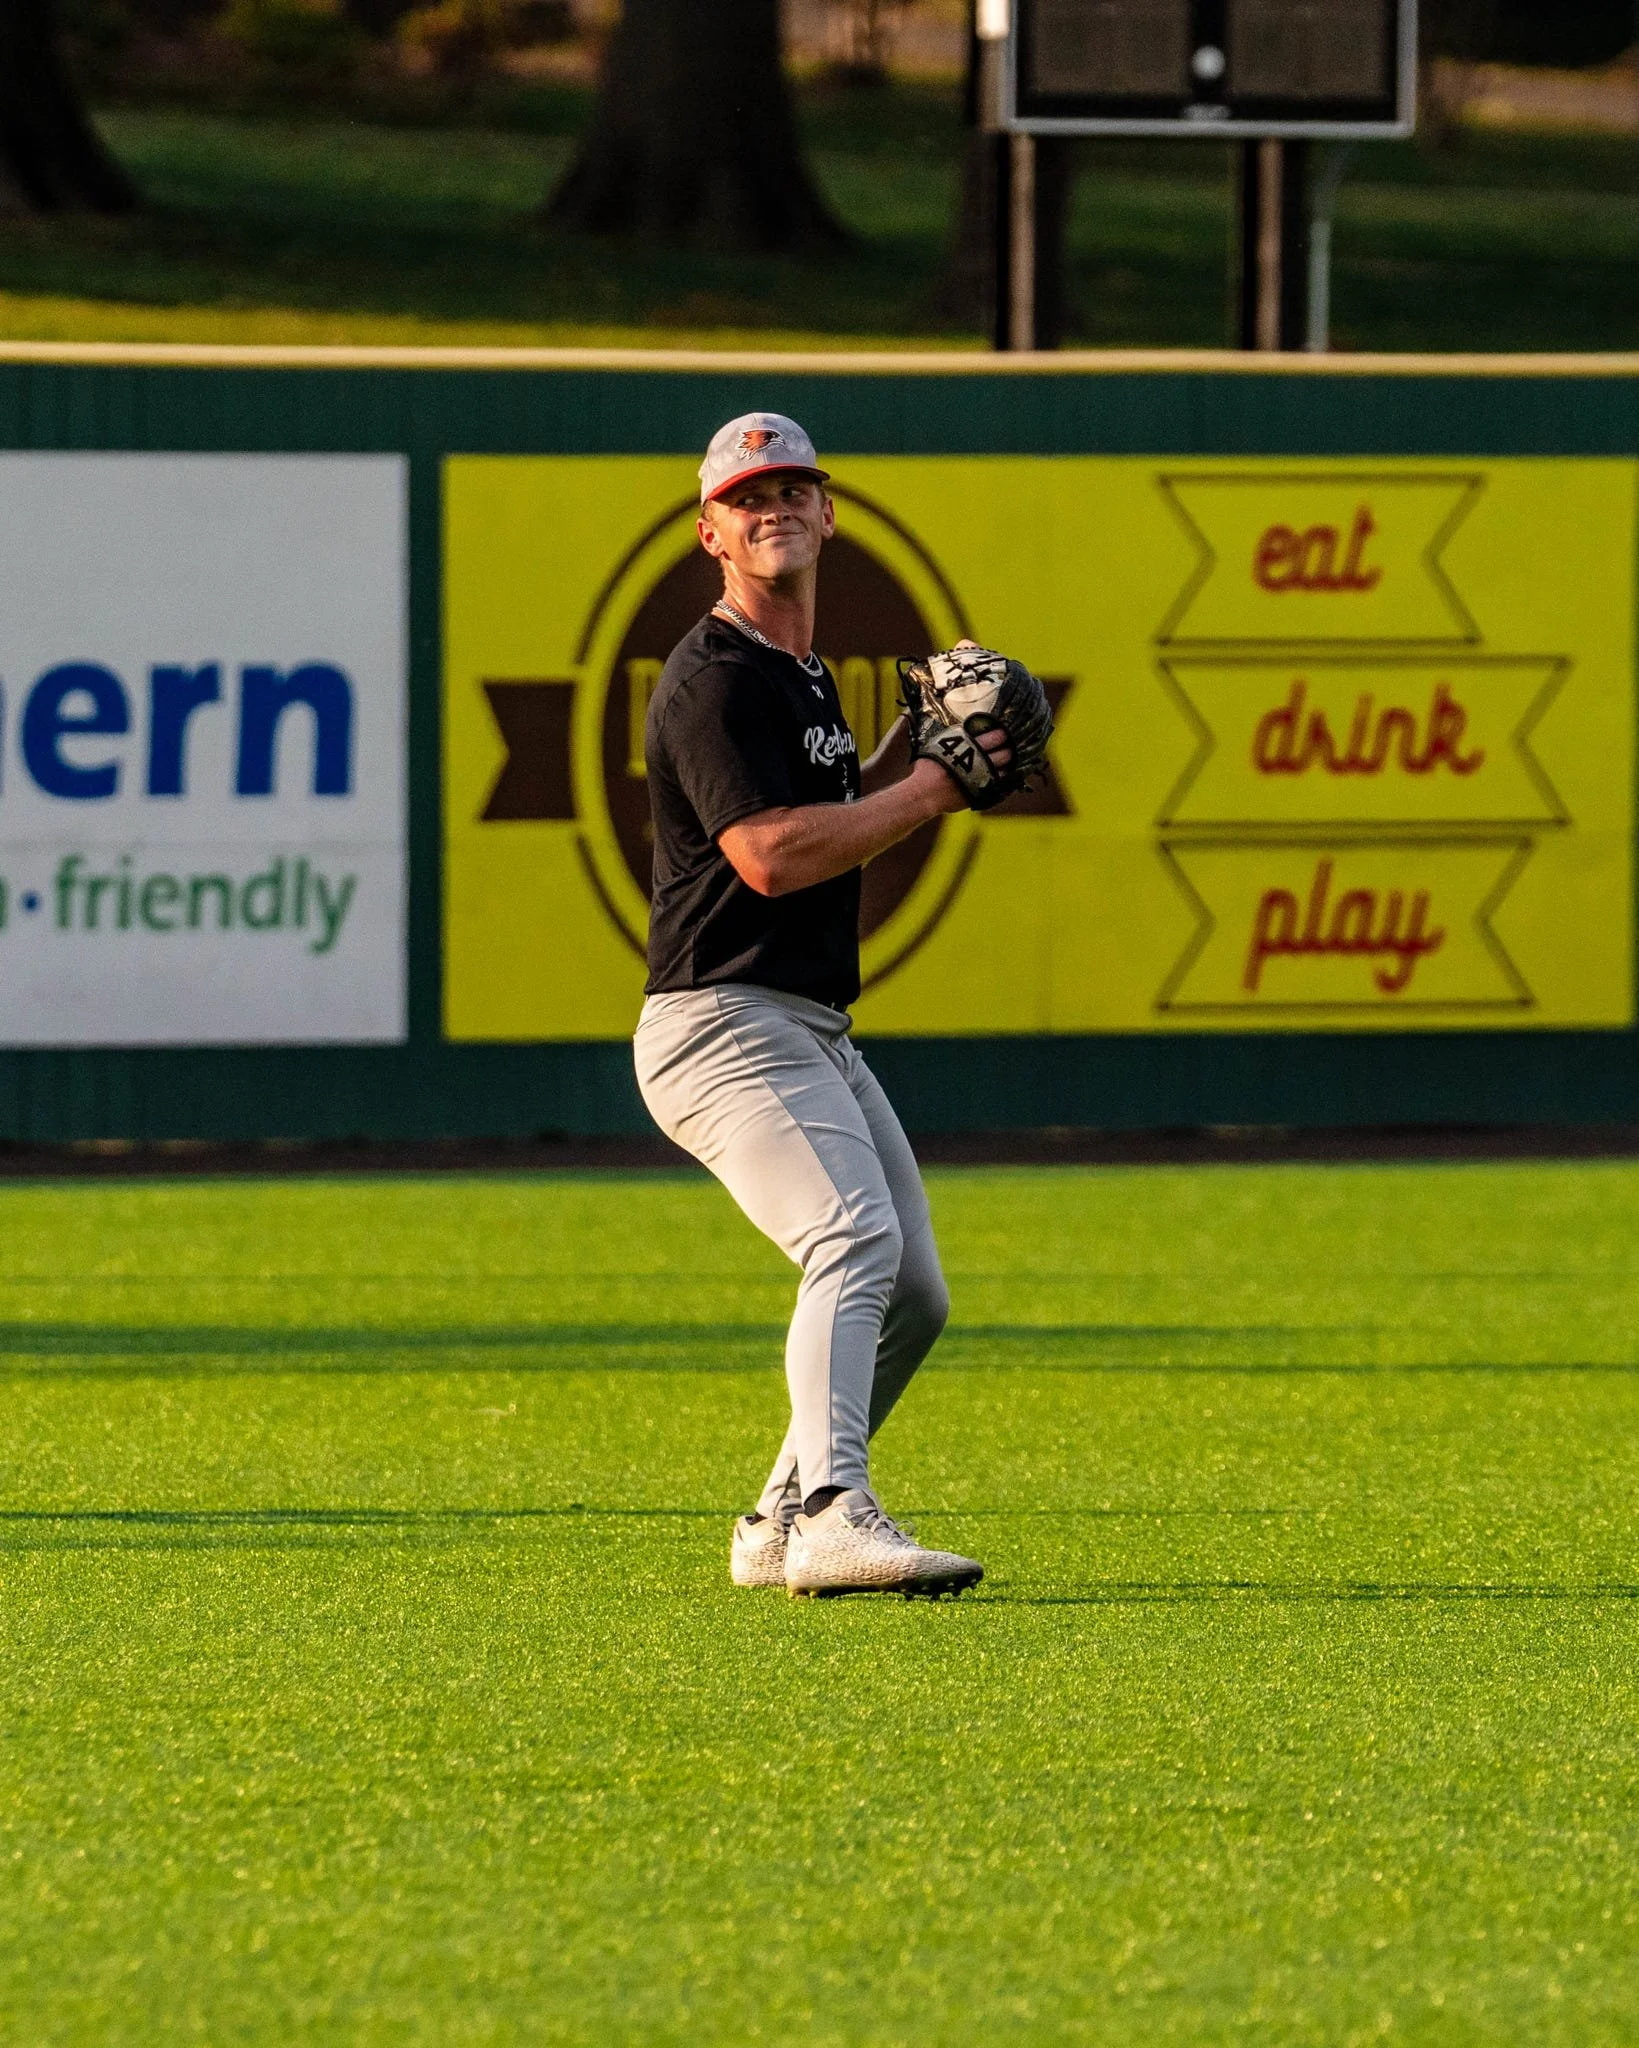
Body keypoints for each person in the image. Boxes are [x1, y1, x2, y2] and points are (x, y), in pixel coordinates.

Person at [632, 412, 1010, 1600]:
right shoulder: (714, 678)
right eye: (748, 496)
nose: (773, 506)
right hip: (718, 1023)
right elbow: (772, 857)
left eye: (793, 486)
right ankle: (838, 1512)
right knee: (850, 1235)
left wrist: (908, 765)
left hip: (807, 1025)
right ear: (711, 530)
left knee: (914, 1292)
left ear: (828, 512)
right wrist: (936, 782)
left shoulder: (802, 674)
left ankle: (777, 1515)